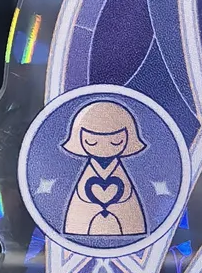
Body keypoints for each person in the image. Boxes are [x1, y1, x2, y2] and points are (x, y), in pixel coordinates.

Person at [61, 98, 148, 241]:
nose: (104, 147)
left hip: (123, 209)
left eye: (115, 142)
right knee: (80, 220)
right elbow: (82, 193)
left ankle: (131, 229)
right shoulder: (89, 169)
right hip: (84, 210)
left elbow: (125, 192)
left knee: (128, 220)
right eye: (92, 142)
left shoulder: (119, 169)